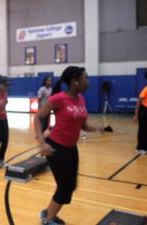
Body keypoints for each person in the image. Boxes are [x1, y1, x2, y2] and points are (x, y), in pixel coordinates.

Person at [34, 66, 104, 225]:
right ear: (75, 81)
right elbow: (38, 118)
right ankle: (47, 220)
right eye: (86, 78)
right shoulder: (57, 99)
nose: (88, 81)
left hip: (71, 147)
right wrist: (41, 143)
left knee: (70, 186)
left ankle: (48, 212)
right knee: (65, 187)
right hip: (56, 147)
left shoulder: (81, 99)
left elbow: (83, 125)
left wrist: (96, 128)